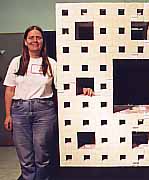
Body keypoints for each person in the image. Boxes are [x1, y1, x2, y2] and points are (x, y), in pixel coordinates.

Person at [3, 25, 93, 180]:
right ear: (25, 41)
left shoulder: (51, 63)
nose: (35, 40)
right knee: (25, 155)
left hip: (44, 111)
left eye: (38, 37)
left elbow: (64, 85)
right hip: (19, 111)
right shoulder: (16, 62)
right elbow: (9, 90)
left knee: (42, 154)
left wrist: (82, 89)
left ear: (43, 41)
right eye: (31, 37)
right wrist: (7, 115)